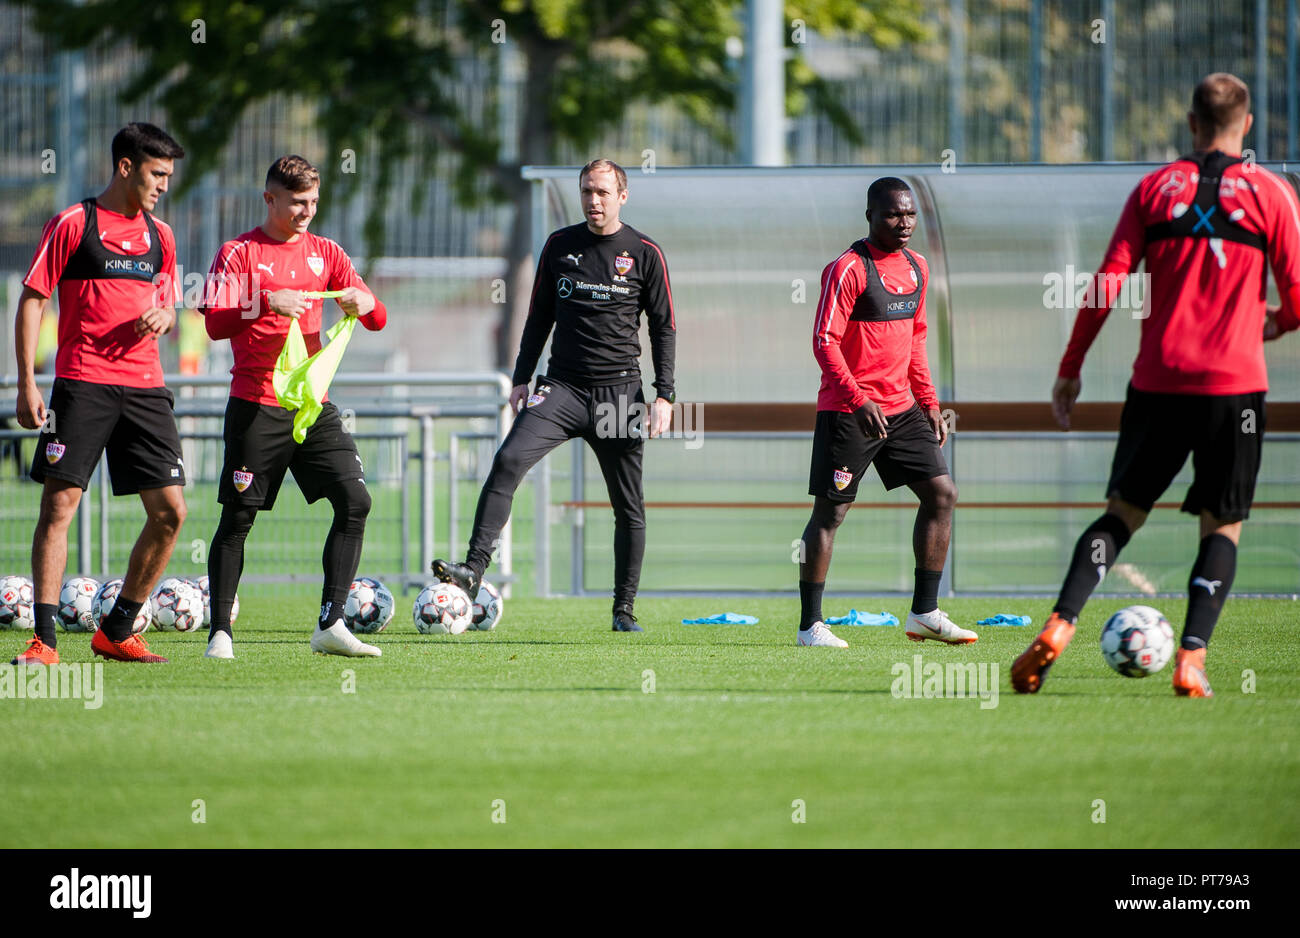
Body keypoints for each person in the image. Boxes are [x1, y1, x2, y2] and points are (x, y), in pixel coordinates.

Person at [1012, 73, 1300, 697]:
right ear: (1246, 125)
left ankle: (1060, 626)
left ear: (1192, 124)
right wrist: (1270, 325)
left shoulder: (1155, 188)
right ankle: (1192, 659)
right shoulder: (1272, 194)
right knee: (1223, 527)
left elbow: (1109, 281)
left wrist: (1071, 366)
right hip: (1235, 389)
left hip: (1159, 385)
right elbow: (1298, 298)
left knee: (1120, 517)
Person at [432, 159, 676, 632]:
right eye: (587, 191)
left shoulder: (644, 252)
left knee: (628, 506)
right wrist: (522, 377)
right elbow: (538, 314)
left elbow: (664, 327)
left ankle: (623, 610)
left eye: (603, 192)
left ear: (622, 196)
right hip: (561, 389)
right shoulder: (560, 245)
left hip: (618, 395)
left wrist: (664, 394)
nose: (594, 200)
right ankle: (473, 572)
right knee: (507, 462)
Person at [11, 122, 188, 665]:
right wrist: (26, 382)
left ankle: (115, 629)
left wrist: (166, 313)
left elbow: (168, 301)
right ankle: (43, 641)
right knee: (59, 507)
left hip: (146, 390)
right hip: (83, 386)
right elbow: (34, 299)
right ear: (126, 166)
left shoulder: (162, 237)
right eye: (157, 174)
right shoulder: (74, 222)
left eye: (170, 176)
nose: (163, 185)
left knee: (171, 514)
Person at [201, 155, 388, 659]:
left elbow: (378, 318)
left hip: (312, 407)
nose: (306, 211)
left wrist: (365, 303)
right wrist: (266, 301)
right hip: (256, 403)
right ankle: (220, 632)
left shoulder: (327, 251)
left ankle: (332, 623)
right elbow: (215, 323)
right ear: (270, 199)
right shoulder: (238, 252)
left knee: (356, 501)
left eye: (313, 202)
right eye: (297, 202)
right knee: (239, 518)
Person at [797, 177, 970, 648]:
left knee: (942, 494)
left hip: (903, 409)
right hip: (850, 411)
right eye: (894, 214)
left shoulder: (918, 267)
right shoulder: (847, 269)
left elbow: (916, 338)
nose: (905, 223)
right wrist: (858, 399)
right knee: (831, 515)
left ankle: (924, 613)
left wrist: (929, 403)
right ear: (871, 215)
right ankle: (810, 625)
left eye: (911, 214)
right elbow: (824, 342)